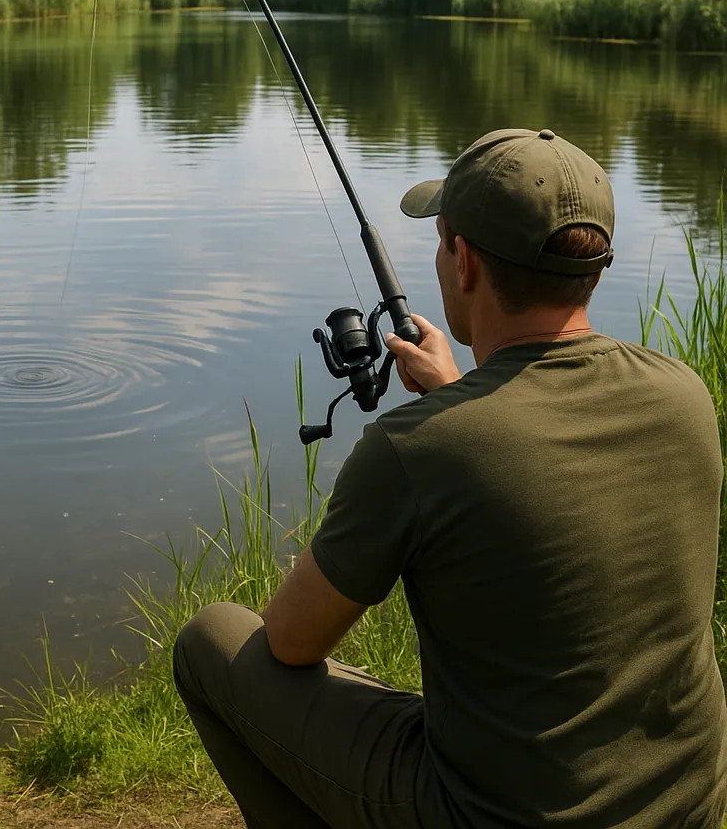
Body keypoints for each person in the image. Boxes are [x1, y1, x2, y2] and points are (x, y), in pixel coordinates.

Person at [173, 128, 727, 828]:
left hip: (492, 816)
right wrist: (458, 393)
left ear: (462, 261)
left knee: (212, 640)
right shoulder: (684, 396)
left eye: (441, 242)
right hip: (685, 807)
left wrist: (448, 414)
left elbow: (291, 642)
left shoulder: (418, 449)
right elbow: (531, 451)